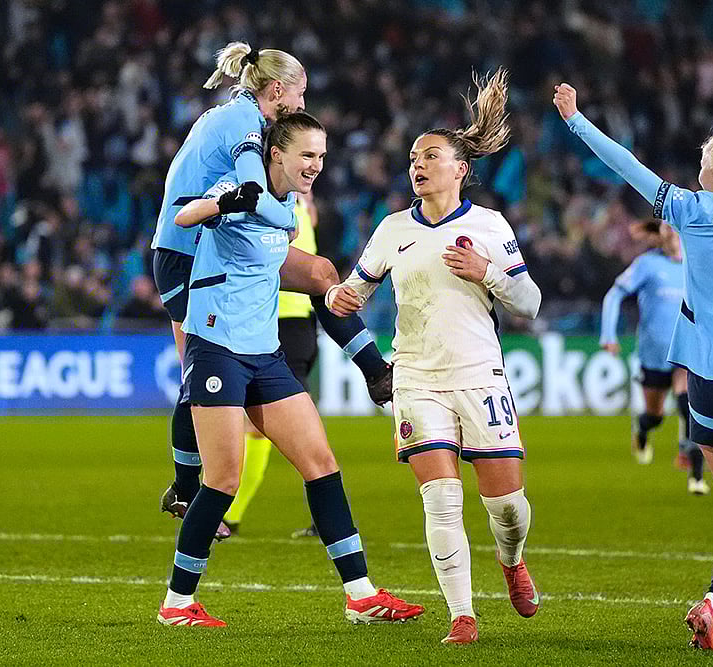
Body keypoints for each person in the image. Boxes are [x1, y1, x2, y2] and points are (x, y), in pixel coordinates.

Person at [555, 82, 713, 651]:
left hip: (705, 388)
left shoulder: (691, 212)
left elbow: (627, 166)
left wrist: (577, 120)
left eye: (702, 160)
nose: (698, 167)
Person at [155, 111, 424, 627]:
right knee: (224, 481)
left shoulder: (289, 205)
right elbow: (184, 216)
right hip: (217, 350)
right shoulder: (242, 185)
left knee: (321, 463)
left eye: (321, 156)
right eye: (307, 155)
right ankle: (178, 602)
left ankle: (361, 594)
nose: (316, 166)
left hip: (266, 355)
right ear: (275, 154)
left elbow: (295, 265)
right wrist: (225, 201)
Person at [327, 69, 541, 645]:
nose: (417, 166)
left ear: (460, 168)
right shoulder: (393, 228)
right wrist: (337, 295)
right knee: (441, 498)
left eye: (430, 156)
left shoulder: (489, 226)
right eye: (413, 159)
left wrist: (487, 272)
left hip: (479, 372)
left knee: (508, 508)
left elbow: (530, 302)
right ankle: (462, 615)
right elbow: (352, 291)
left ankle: (512, 559)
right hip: (416, 376)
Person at [151, 42, 393, 539]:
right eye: (300, 95)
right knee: (198, 373)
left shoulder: (244, 120)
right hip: (186, 256)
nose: (302, 105)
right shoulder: (242, 124)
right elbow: (252, 194)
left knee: (323, 273)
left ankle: (377, 372)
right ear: (277, 90)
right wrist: (285, 217)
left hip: (225, 246)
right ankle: (183, 486)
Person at [223, 192, 322, 539]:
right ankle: (232, 516)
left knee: (269, 427)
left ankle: (230, 517)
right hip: (297, 324)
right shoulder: (300, 212)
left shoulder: (277, 212)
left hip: (282, 323)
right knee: (270, 425)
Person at [600, 221, 709, 494]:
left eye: (675, 224)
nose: (671, 228)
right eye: (665, 224)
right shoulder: (647, 265)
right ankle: (643, 428)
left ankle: (696, 475)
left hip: (687, 352)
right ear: (659, 233)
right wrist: (608, 334)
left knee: (689, 406)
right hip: (654, 355)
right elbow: (614, 295)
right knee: (655, 415)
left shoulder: (699, 262)